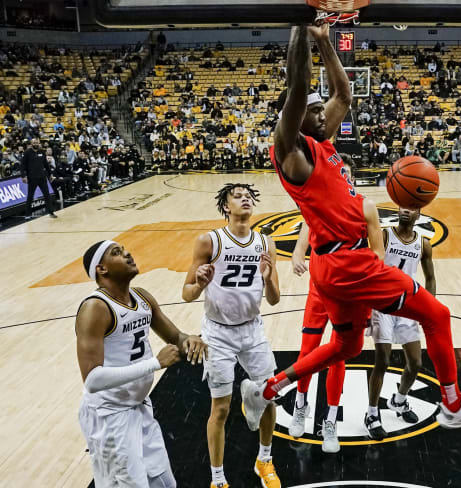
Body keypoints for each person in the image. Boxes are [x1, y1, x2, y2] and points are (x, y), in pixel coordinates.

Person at [241, 23, 461, 434]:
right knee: (437, 315)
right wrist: (299, 28)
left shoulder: (322, 143)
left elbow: (344, 95)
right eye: (312, 110)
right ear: (294, 117)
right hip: (347, 262)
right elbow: (297, 86)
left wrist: (326, 42)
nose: (321, 112)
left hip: (335, 267)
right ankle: (454, 403)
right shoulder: (292, 152)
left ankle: (268, 389)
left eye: (319, 109)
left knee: (346, 346)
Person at [76, 240, 207, 488]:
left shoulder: (142, 297)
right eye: (117, 252)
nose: (127, 253)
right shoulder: (96, 308)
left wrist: (190, 340)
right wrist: (154, 364)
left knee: (165, 483)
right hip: (109, 416)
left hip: (138, 407)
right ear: (101, 269)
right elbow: (92, 380)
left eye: (125, 249)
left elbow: (176, 338)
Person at [182, 183, 281, 488]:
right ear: (226, 207)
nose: (245, 198)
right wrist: (199, 283)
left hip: (253, 330)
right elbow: (186, 294)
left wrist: (267, 279)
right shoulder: (209, 242)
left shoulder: (266, 243)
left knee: (269, 397)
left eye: (248, 195)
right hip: (218, 334)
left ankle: (264, 460)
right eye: (237, 196)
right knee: (220, 408)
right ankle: (217, 479)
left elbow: (275, 299)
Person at [289, 157, 385, 453]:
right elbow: (308, 226)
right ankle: (300, 403)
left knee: (338, 355)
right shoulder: (321, 201)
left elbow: (378, 254)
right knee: (308, 350)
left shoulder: (366, 206)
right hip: (320, 285)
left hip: (350, 292)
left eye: (347, 174)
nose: (343, 177)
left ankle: (330, 422)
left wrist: (367, 296)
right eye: (339, 173)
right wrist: (298, 252)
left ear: (351, 179)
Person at [365, 207, 436, 439]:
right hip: (383, 305)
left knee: (415, 363)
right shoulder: (385, 236)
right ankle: (372, 413)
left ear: (419, 214)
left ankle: (399, 400)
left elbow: (430, 277)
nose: (406, 210)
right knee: (382, 361)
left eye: (412, 208)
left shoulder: (424, 244)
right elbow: (368, 271)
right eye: (402, 206)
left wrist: (430, 308)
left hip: (409, 306)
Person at [21, 138, 57, 219]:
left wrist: (50, 174)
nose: (35, 144)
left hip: (42, 177)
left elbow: (46, 164)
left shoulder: (42, 152)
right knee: (30, 196)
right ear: (31, 144)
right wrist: (23, 176)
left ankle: (51, 212)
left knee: (47, 195)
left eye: (37, 142)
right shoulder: (27, 153)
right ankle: (28, 214)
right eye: (34, 143)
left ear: (39, 143)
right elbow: (22, 165)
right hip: (32, 178)